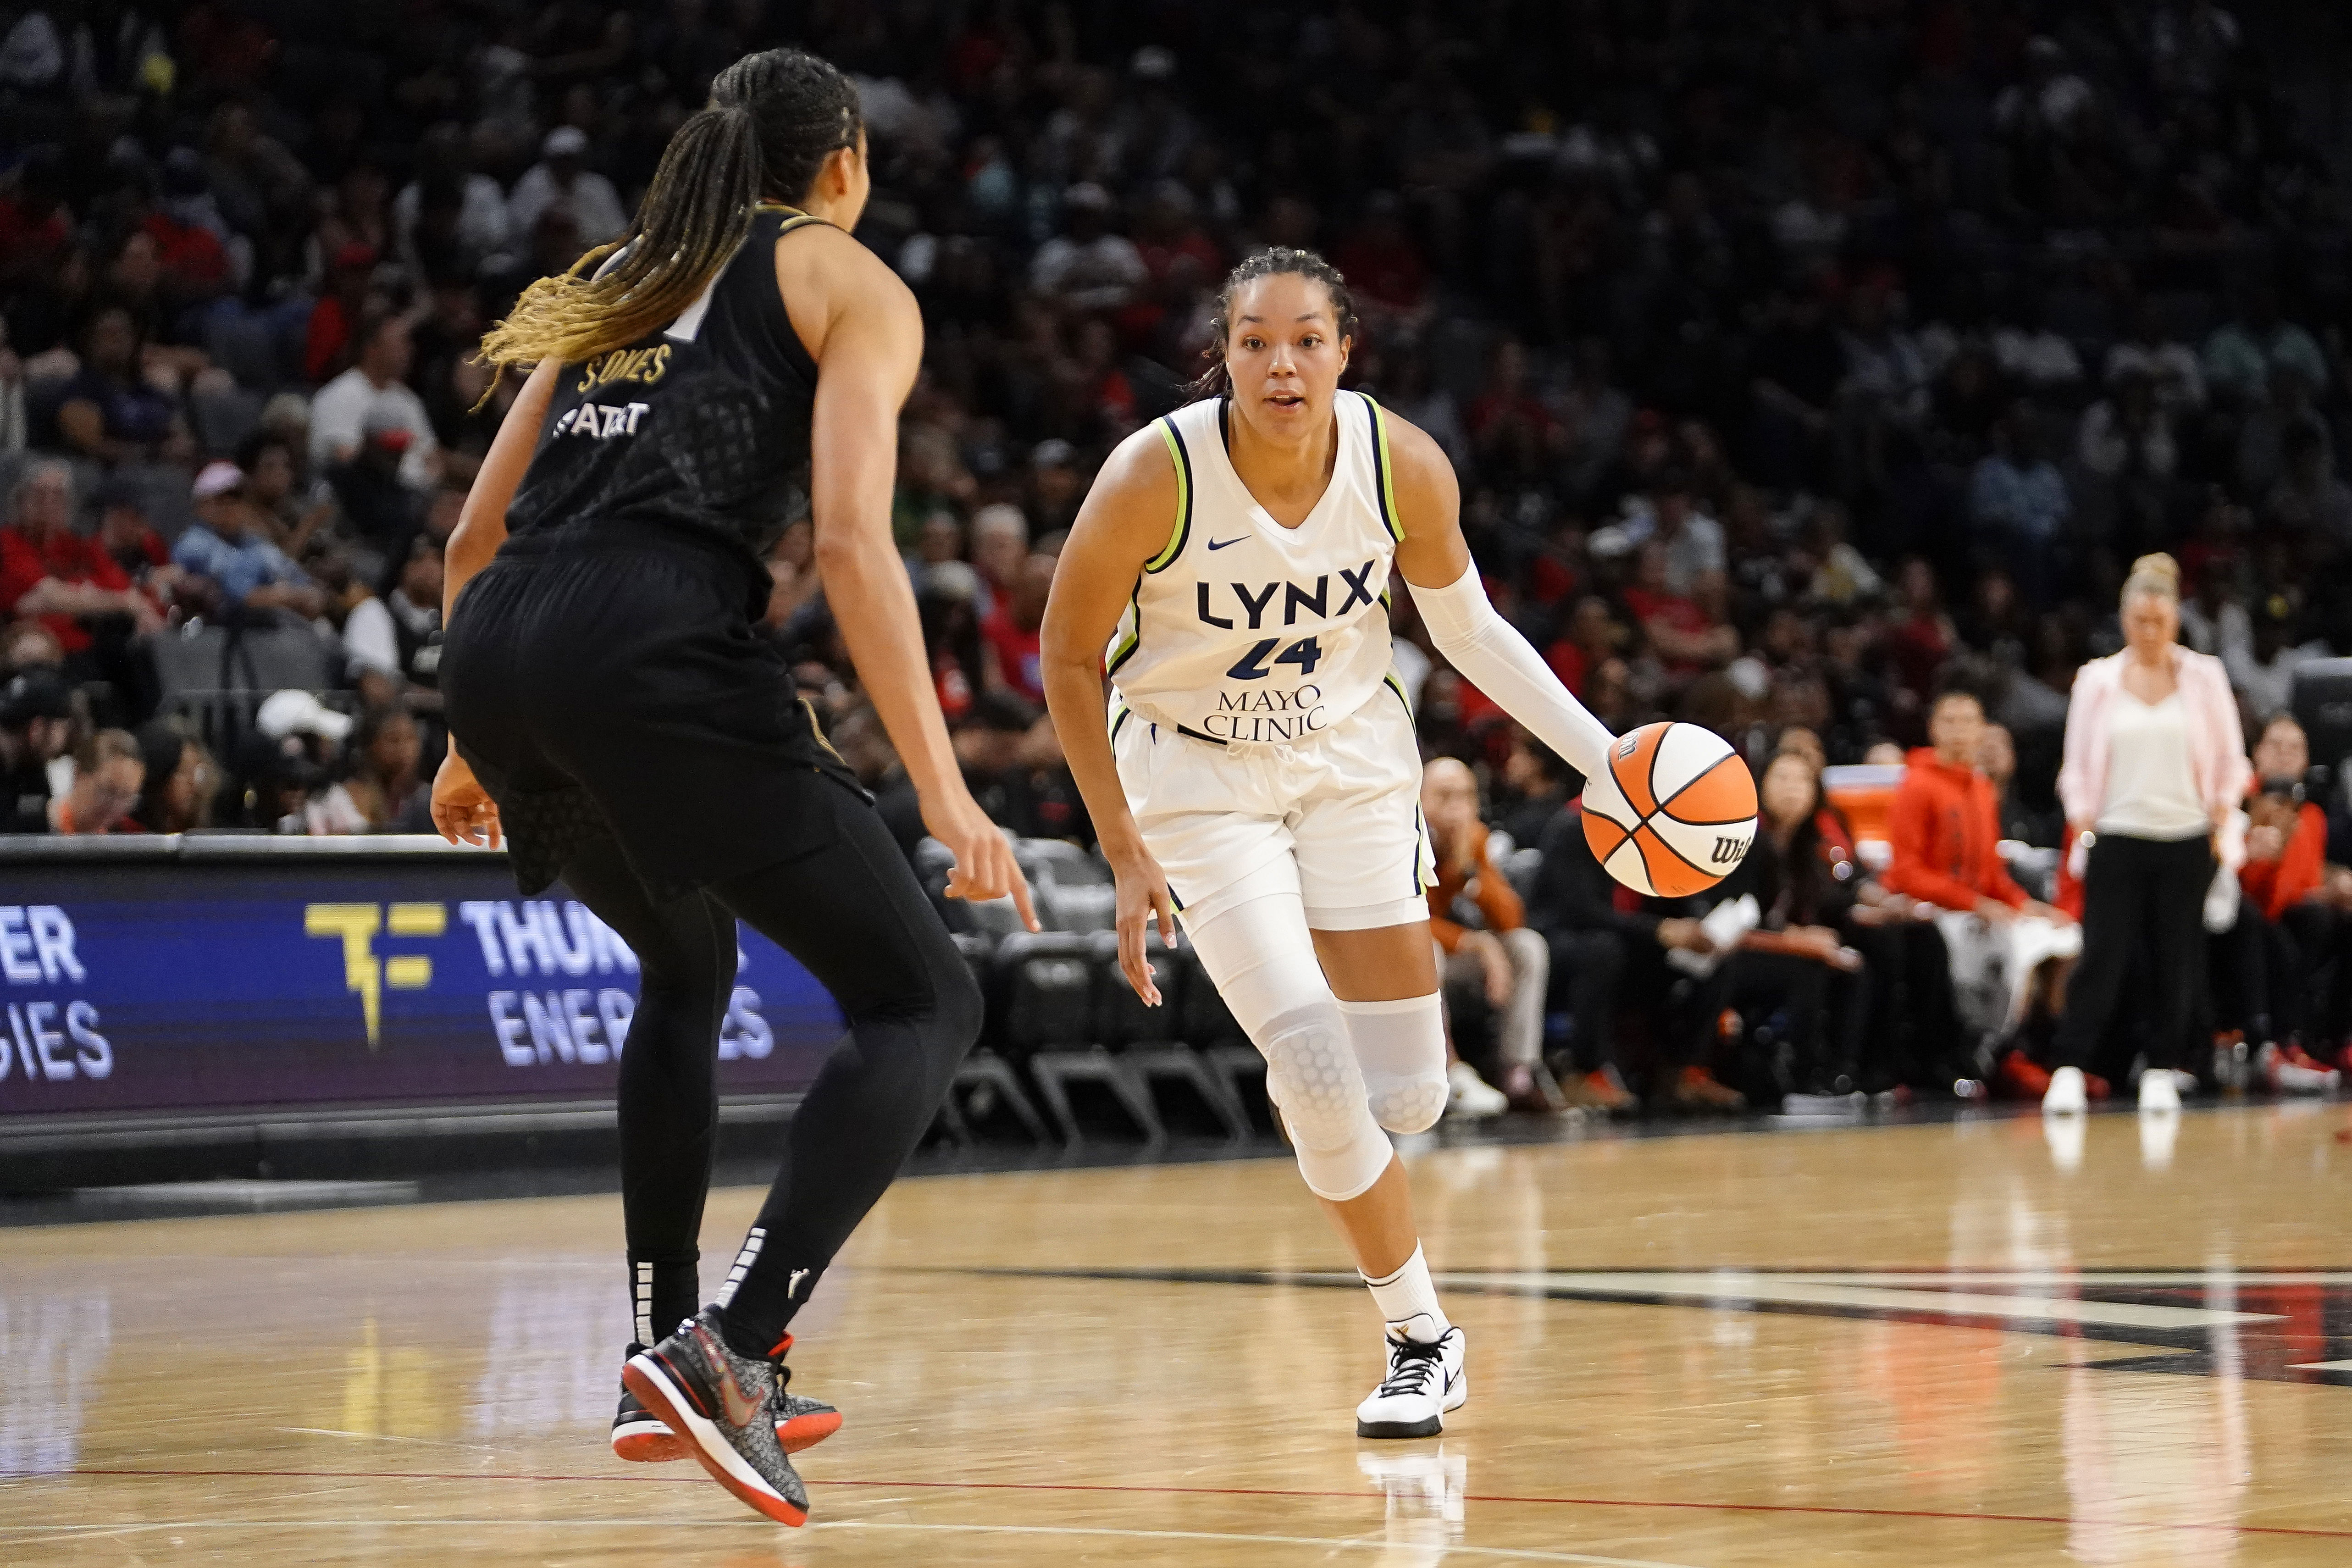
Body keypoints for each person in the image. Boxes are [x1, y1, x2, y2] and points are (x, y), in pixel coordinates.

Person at [432, 50, 1032, 1528]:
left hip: (502, 647)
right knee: (924, 1000)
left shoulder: (622, 274)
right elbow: (847, 539)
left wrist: (469, 739)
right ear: (838, 162)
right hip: (647, 649)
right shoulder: (841, 275)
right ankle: (735, 1347)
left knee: (684, 958)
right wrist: (948, 792)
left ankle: (658, 1329)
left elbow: (469, 536)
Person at [1040, 248, 1619, 1443]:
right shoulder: (1155, 474)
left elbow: (1472, 634)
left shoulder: (1401, 462)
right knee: (1310, 1061)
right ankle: (1420, 1335)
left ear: (1347, 350)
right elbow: (1063, 656)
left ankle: (1373, 1084)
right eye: (1253, 340)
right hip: (1194, 778)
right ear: (1224, 355)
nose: (1280, 362)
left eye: (1306, 338)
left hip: (1351, 764)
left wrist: (1605, 757)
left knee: (1404, 1091)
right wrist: (1119, 845)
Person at [2049, 554, 2251, 1115]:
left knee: (2175, 959)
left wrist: (2217, 821)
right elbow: (2075, 769)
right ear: (2124, 618)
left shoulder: (2203, 676)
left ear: (2173, 619)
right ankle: (2068, 1065)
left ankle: (2161, 1066)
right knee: (2102, 957)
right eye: (2138, 618)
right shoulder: (2097, 679)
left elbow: (2231, 760)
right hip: (2116, 833)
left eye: (2158, 618)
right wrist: (2084, 826)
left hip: (2185, 837)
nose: (2148, 628)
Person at [1882, 687, 2081, 1096]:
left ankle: (2033, 1052)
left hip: (1977, 907)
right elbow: (1906, 872)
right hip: (1932, 908)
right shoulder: (1916, 784)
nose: (1958, 731)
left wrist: (2026, 904)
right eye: (1949, 721)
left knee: (2064, 938)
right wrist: (1977, 904)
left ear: (1981, 731)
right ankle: (1993, 1053)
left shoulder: (1980, 788)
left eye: (1967, 722)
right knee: (2009, 948)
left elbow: (1990, 872)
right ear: (1933, 729)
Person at [1421, 756, 1555, 1114]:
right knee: (1425, 949)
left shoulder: (1474, 836)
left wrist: (1470, 870)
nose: (1456, 806)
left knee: (1527, 947)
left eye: (1465, 795)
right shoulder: (1405, 839)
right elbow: (1410, 920)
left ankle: (1517, 1071)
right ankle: (1446, 1073)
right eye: (1444, 795)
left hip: (1459, 963)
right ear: (1419, 799)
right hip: (1410, 958)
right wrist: (1476, 943)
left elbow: (1511, 919)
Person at [0, 665, 76, 832]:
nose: (66, 735)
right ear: (37, 729)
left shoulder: (28, 766)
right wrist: (50, 818)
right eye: (64, 726)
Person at [51, 727, 145, 835]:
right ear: (78, 774)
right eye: (108, 791)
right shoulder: (34, 825)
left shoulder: (128, 837)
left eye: (126, 797)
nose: (114, 806)